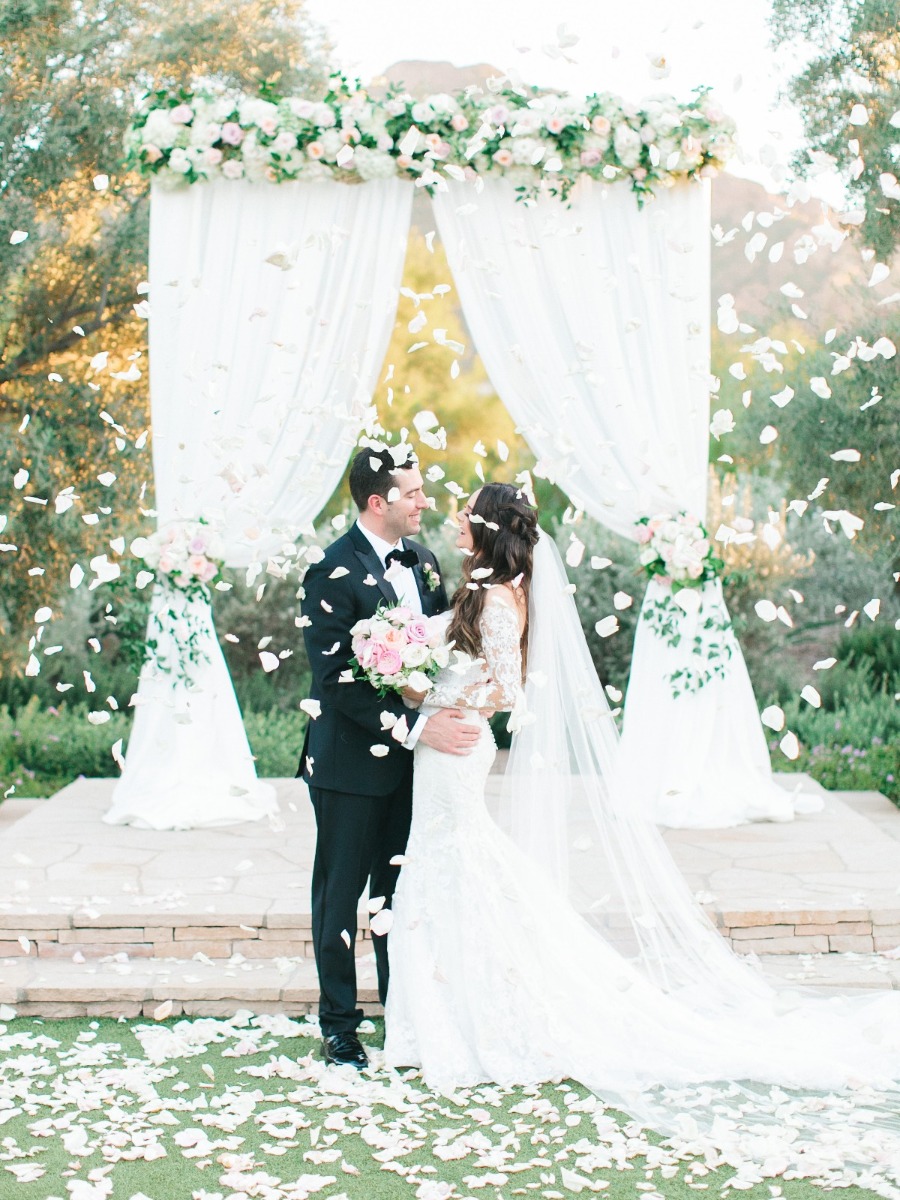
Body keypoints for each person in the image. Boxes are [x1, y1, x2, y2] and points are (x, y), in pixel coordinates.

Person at [384, 481, 900, 1186]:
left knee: (458, 861)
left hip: (458, 746)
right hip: (441, 749)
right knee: (448, 862)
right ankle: (444, 1014)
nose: (455, 522)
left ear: (486, 527)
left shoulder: (502, 600)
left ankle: (472, 1019)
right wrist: (409, 667)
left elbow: (508, 687)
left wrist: (446, 703)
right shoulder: (484, 589)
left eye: (466, 514)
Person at [298, 445, 480, 1070]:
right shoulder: (329, 571)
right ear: (379, 502)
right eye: (414, 492)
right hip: (349, 765)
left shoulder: (425, 563)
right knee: (340, 893)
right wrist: (416, 729)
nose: (425, 502)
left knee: (400, 892)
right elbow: (334, 682)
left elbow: (440, 652)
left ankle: (402, 1015)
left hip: (415, 770)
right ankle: (340, 1026)